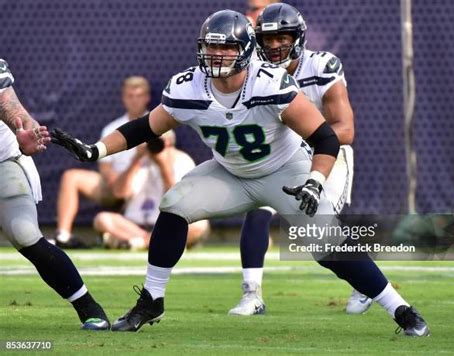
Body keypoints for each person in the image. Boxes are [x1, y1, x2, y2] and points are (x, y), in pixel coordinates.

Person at [51, 10, 429, 337]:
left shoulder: (270, 84)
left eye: (226, 47)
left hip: (285, 170)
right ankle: (152, 300)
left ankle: (402, 310)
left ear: (246, 50)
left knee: (327, 247)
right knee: (175, 206)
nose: (216, 55)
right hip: (230, 173)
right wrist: (96, 149)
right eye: (211, 46)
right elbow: (145, 128)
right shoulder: (189, 87)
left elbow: (326, 138)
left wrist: (315, 180)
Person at [229, 3, 367, 316]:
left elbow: (345, 129)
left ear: (298, 38)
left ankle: (365, 282)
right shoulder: (251, 71)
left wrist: (303, 137)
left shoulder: (321, 66)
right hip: (278, 155)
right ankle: (251, 294)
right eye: (268, 39)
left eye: (283, 38)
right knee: (257, 209)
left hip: (324, 152)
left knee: (320, 234)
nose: (275, 45)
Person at [0, 58, 109, 330]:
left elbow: (12, 107)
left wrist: (23, 129)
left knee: (24, 232)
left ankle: (88, 307)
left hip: (2, 161)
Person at [54, 76, 168, 248]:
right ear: (123, 98)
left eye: (139, 95)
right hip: (120, 183)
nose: (135, 100)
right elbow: (109, 174)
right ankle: (63, 235)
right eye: (130, 96)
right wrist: (122, 179)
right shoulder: (111, 129)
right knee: (72, 177)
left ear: (147, 97)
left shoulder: (160, 123)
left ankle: (134, 239)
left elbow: (168, 156)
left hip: (150, 184)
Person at [93, 130, 209, 250]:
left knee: (200, 225)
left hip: (167, 224)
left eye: (158, 141)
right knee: (102, 219)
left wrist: (164, 166)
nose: (153, 145)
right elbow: (120, 193)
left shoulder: (182, 160)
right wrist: (136, 160)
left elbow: (178, 201)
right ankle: (150, 241)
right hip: (134, 225)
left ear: (169, 143)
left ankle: (137, 242)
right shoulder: (139, 159)